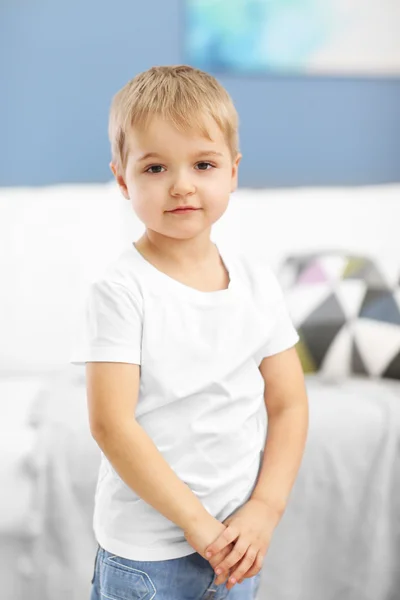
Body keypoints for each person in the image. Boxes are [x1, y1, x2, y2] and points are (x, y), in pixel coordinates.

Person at [70, 64, 309, 600]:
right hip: (149, 557)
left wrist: (264, 509)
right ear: (122, 179)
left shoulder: (256, 284)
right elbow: (111, 425)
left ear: (232, 171)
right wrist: (197, 525)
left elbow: (289, 404)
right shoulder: (120, 290)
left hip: (237, 545)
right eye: (155, 168)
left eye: (203, 163)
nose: (181, 185)